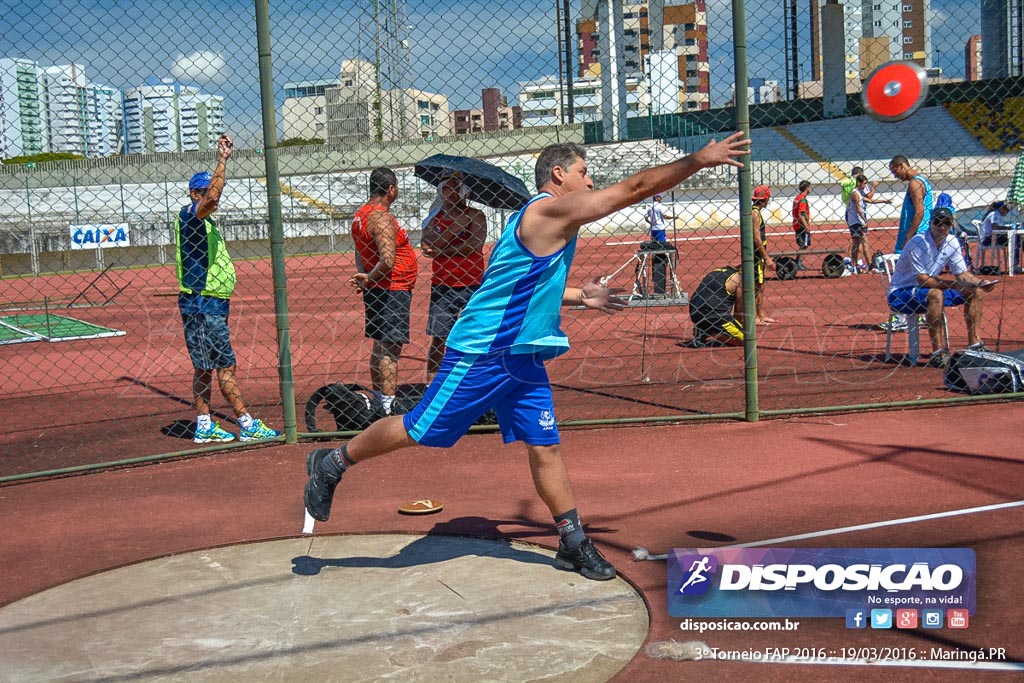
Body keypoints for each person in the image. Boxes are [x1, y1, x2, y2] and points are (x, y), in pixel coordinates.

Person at [304, 133, 751, 581]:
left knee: (546, 446)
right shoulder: (546, 210)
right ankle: (333, 462)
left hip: (522, 357)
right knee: (419, 428)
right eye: (583, 172)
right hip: (484, 352)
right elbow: (631, 191)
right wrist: (699, 159)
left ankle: (573, 541)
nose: (590, 180)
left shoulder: (542, 221)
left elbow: (521, 285)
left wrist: (579, 295)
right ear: (558, 174)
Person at [175, 134, 280, 444]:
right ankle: (246, 422)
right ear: (195, 193)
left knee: (207, 367)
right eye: (206, 190)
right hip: (203, 304)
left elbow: (213, 200)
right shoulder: (190, 215)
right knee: (225, 365)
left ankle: (206, 424)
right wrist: (222, 161)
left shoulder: (205, 221)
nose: (213, 195)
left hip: (208, 304)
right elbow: (212, 200)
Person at [887, 207, 997, 368]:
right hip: (901, 292)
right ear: (931, 223)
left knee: (974, 292)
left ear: (951, 225)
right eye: (937, 222)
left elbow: (962, 274)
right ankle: (938, 352)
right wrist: (954, 285)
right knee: (936, 294)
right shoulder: (919, 242)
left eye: (946, 223)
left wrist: (980, 282)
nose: (942, 226)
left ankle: (975, 344)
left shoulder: (952, 241)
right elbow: (923, 280)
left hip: (929, 290)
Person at [350, 167, 420, 416]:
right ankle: (389, 406)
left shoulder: (361, 215)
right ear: (391, 189)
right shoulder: (380, 217)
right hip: (392, 289)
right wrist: (369, 276)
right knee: (390, 350)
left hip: (380, 288)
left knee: (380, 346)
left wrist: (366, 277)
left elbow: (360, 253)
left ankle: (381, 399)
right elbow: (388, 259)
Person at [420, 174, 487, 381]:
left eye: (455, 187)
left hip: (472, 283)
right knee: (439, 337)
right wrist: (456, 228)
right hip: (443, 284)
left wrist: (440, 249)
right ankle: (432, 383)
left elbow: (474, 245)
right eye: (446, 188)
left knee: (477, 335)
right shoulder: (435, 217)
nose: (450, 192)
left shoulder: (476, 216)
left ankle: (476, 379)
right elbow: (426, 244)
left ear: (465, 191)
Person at [844, 174, 892, 274]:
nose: (865, 186)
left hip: (856, 221)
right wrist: (864, 221)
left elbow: (869, 200)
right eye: (864, 184)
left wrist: (884, 201)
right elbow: (858, 209)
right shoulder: (856, 194)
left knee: (858, 243)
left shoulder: (859, 193)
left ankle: (856, 264)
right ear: (859, 183)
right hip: (857, 222)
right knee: (861, 243)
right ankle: (867, 265)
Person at [689, 265, 744, 347]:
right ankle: (713, 331)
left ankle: (703, 328)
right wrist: (739, 326)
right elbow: (739, 308)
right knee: (748, 341)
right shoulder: (739, 278)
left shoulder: (718, 270)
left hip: (694, 311)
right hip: (717, 314)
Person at [889, 155, 933, 254]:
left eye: (895, 171)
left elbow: (919, 211)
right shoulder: (922, 181)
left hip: (918, 233)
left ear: (901, 165)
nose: (895, 176)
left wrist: (908, 237)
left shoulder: (915, 183)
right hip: (922, 232)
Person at [751, 185, 776, 324]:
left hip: (757, 255)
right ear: (765, 199)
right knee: (756, 285)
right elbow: (756, 238)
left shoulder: (756, 212)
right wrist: (767, 257)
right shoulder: (755, 214)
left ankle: (760, 314)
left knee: (760, 285)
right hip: (756, 255)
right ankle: (755, 316)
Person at [643, 193, 678, 295]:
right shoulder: (660, 206)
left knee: (654, 247)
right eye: (660, 197)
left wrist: (651, 223)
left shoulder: (650, 207)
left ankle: (656, 267)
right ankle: (661, 266)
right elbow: (665, 215)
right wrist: (674, 217)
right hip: (660, 229)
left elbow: (646, 218)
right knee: (662, 247)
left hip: (653, 230)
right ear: (657, 197)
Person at [792, 180, 812, 270]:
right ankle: (799, 263)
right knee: (804, 244)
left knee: (803, 244)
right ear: (806, 188)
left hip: (797, 224)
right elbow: (801, 214)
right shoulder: (802, 199)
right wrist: (806, 226)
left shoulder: (797, 197)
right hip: (801, 225)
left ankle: (797, 261)